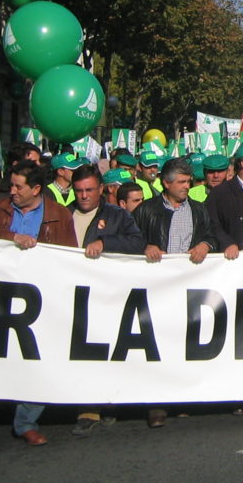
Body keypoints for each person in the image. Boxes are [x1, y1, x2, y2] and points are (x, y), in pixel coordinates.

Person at [0, 159, 76, 445]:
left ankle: (26, 421)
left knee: (37, 356)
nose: (13, 192)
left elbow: (68, 255)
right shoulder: (0, 210)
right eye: (11, 186)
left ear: (36, 189)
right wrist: (10, 237)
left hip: (40, 297)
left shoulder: (59, 214)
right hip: (0, 292)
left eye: (19, 187)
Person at [132, 157, 217, 428]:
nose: (186, 186)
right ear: (165, 183)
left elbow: (211, 234)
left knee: (186, 342)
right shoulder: (146, 210)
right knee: (157, 343)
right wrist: (144, 246)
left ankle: (183, 399)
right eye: (181, 182)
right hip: (156, 288)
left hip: (189, 288)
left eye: (188, 181)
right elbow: (130, 239)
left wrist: (205, 243)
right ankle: (156, 403)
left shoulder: (199, 210)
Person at [68, 165, 145, 438]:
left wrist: (105, 241)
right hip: (72, 291)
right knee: (82, 349)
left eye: (90, 190)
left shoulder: (117, 215)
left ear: (101, 189)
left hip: (108, 291)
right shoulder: (63, 214)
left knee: (108, 346)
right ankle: (87, 408)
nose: (84, 196)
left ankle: (110, 401)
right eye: (79, 191)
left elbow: (137, 243)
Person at [0, 141, 42, 211]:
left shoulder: (45, 192)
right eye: (33, 162)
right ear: (15, 164)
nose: (39, 165)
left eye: (39, 161)